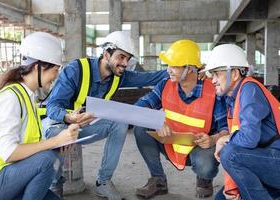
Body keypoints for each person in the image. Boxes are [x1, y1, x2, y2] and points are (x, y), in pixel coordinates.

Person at [42, 31, 169, 200]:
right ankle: (55, 184)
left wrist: (180, 70)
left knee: (120, 123)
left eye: (128, 59)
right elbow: (52, 106)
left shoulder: (120, 76)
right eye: (121, 57)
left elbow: (150, 77)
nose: (125, 63)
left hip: (83, 126)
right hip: (58, 125)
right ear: (106, 53)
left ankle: (103, 182)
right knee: (57, 134)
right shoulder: (75, 70)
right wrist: (68, 117)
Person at [0, 32, 93, 200]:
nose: (56, 77)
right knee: (47, 159)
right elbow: (9, 152)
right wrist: (56, 141)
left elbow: (30, 139)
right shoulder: (10, 98)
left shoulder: (26, 96)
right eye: (55, 70)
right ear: (37, 67)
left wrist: (67, 126)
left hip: (9, 175)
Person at [133, 39, 229, 199]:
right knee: (141, 129)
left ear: (190, 69)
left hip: (199, 147)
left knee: (205, 166)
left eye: (174, 66)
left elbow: (225, 129)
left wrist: (213, 139)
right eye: (168, 65)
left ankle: (204, 179)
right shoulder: (165, 85)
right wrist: (156, 121)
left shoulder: (213, 92)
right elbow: (140, 106)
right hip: (171, 139)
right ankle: (158, 180)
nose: (168, 70)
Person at [201, 44, 280, 200]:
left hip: (275, 161)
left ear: (235, 73)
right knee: (221, 198)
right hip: (265, 160)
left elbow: (248, 140)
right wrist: (234, 186)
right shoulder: (233, 98)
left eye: (216, 74)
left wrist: (225, 138)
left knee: (229, 154)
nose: (213, 80)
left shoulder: (249, 91)